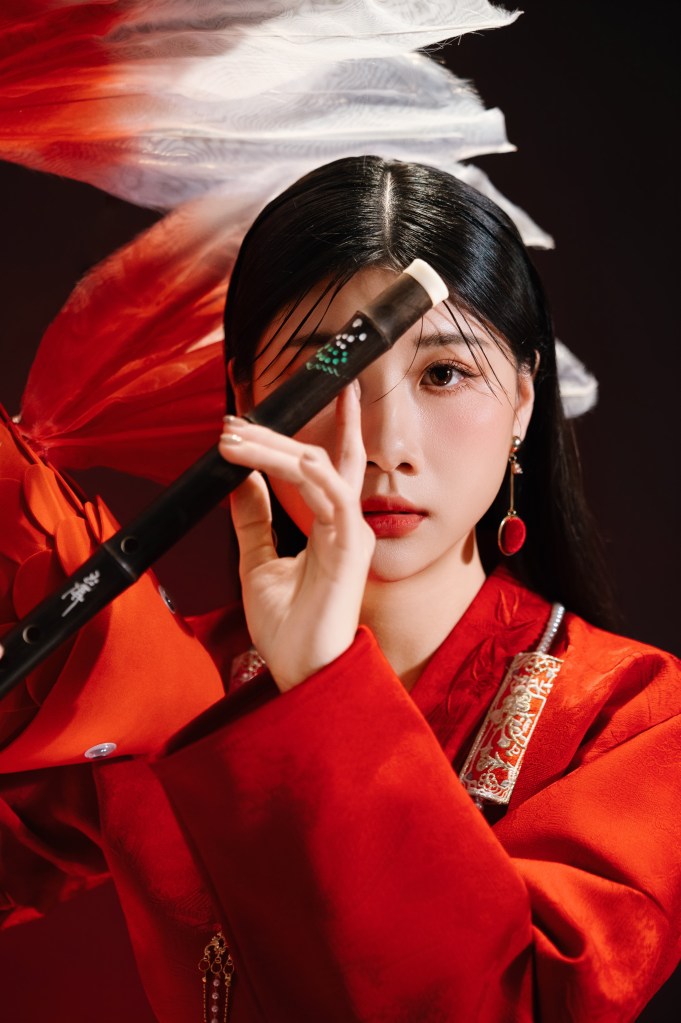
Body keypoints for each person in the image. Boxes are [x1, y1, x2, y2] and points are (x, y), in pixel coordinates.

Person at [0, 156, 679, 1022]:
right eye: (324, 376)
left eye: (443, 374)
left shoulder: (634, 721)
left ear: (521, 399)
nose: (385, 445)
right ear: (247, 397)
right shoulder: (165, 688)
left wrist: (325, 686)